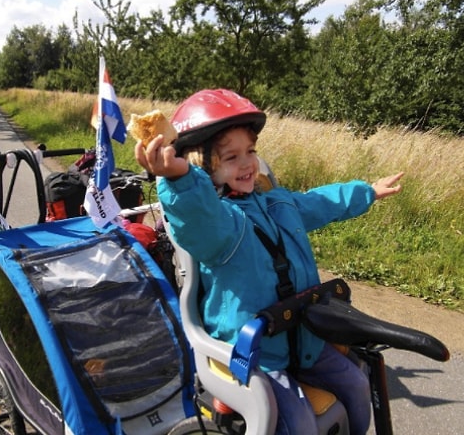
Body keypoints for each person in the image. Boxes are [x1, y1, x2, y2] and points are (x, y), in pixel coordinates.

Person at [134, 89, 404, 435]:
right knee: (300, 424)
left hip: (303, 337)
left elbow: (320, 202)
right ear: (201, 164)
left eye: (251, 151)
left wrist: (366, 191)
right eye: (230, 157)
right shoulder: (221, 226)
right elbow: (196, 213)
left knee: (356, 384)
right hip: (254, 355)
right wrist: (179, 177)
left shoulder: (276, 203)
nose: (247, 163)